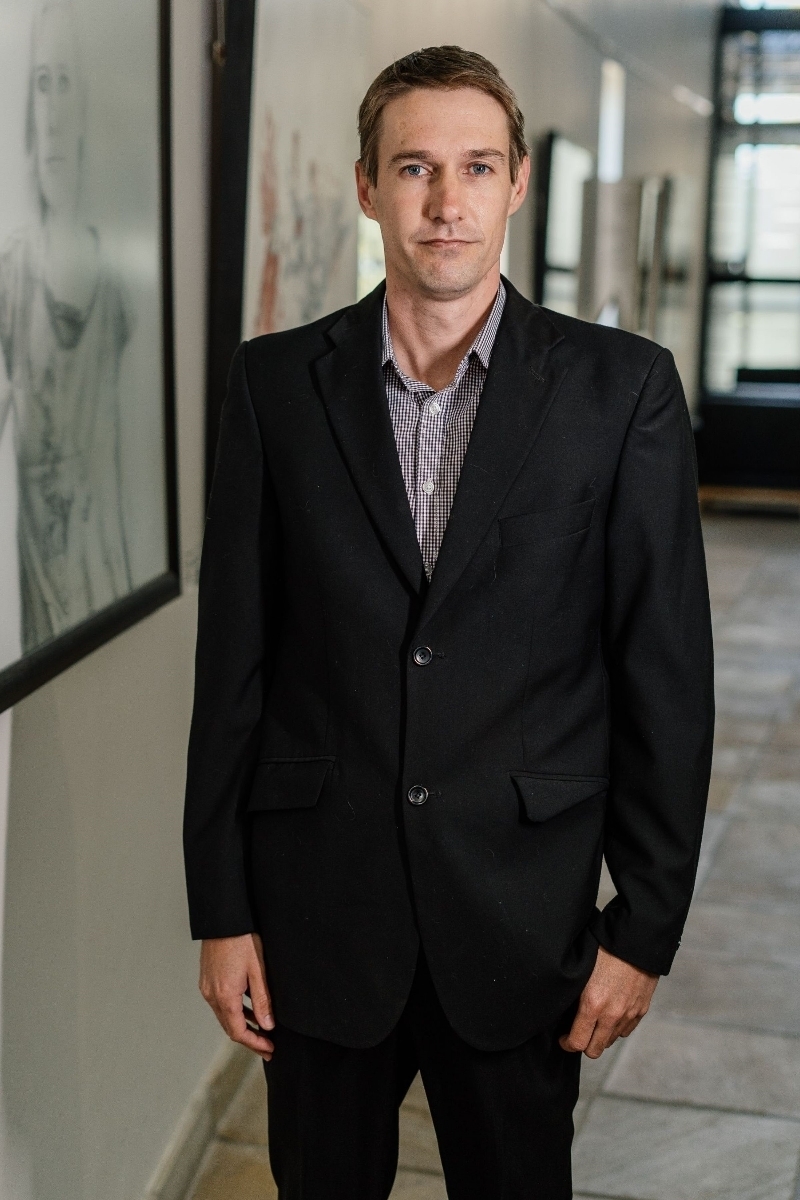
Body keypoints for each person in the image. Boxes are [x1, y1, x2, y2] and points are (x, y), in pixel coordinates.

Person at [184, 45, 714, 1199]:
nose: (445, 201)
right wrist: (218, 912)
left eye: (475, 166)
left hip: (521, 912)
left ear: (517, 182)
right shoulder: (274, 386)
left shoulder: (620, 391)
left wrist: (642, 929)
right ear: (367, 187)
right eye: (413, 167)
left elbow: (663, 678)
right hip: (319, 911)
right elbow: (233, 666)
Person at [0, 1, 132, 654]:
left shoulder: (116, 288)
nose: (52, 110)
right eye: (41, 83)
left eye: (66, 84)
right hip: (34, 610)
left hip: (104, 586)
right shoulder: (11, 275)